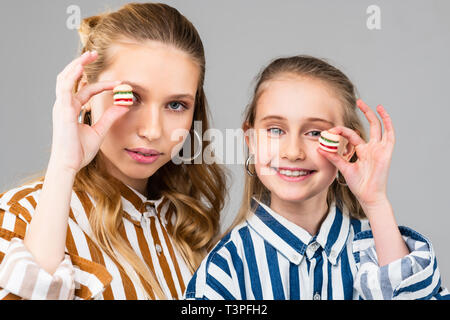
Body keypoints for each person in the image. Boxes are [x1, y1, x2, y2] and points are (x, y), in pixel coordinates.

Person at [0, 2, 227, 300]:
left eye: (176, 105)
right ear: (86, 89)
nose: (153, 130)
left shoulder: (187, 227)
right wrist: (63, 167)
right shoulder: (22, 215)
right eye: (129, 96)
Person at [184, 55, 449, 300]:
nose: (293, 152)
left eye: (314, 133)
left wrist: (375, 202)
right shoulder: (228, 265)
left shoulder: (373, 247)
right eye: (276, 130)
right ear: (251, 140)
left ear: (346, 146)